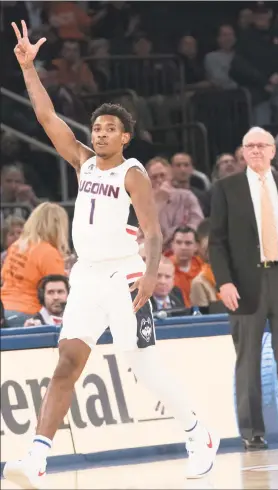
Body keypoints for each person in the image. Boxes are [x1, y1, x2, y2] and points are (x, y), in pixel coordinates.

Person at [3, 21, 220, 488]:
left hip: (125, 276)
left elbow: (152, 228)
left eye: (109, 129)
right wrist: (28, 69)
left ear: (125, 137)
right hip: (86, 278)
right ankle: (37, 457)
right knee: (67, 362)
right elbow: (46, 117)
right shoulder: (83, 162)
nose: (100, 134)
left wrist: (148, 273)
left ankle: (198, 433)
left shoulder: (134, 172)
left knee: (142, 366)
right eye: (97, 127)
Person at [209, 127, 278, 451]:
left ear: (272, 150)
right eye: (249, 146)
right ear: (242, 152)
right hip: (243, 283)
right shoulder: (227, 187)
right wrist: (224, 281)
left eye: (261, 145)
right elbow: (217, 241)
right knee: (248, 360)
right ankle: (252, 431)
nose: (255, 150)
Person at [1, 202, 68, 328]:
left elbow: (5, 276)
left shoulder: (18, 245)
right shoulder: (48, 253)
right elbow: (58, 293)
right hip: (27, 315)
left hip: (4, 309)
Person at [145, 157, 204, 251]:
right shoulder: (141, 202)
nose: (159, 180)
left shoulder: (187, 197)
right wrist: (158, 203)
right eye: (154, 177)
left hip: (184, 249)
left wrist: (172, 234)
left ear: (170, 176)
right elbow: (143, 232)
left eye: (162, 175)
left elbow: (198, 224)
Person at [170, 226, 204, 307]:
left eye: (188, 243)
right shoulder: (162, 270)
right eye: (178, 242)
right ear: (172, 245)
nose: (183, 247)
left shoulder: (204, 269)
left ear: (196, 246)